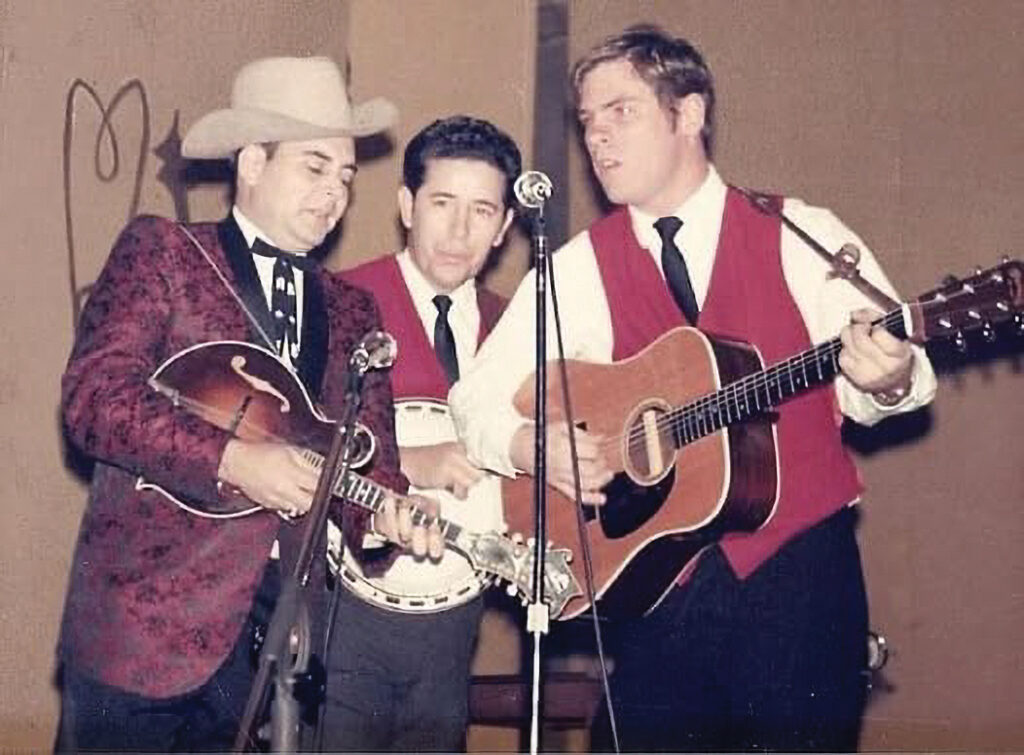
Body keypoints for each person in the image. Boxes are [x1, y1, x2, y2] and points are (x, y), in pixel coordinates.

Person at [449, 25, 938, 753]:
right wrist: (534, 443)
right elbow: (474, 401)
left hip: (797, 580)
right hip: (658, 592)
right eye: (587, 121)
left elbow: (907, 378)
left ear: (689, 115)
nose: (598, 139)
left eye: (621, 112)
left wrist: (888, 374)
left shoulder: (800, 232)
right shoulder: (579, 267)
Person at [55, 55, 439, 752]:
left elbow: (371, 468)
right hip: (140, 634)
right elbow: (93, 399)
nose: (335, 195)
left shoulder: (355, 310)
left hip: (272, 649)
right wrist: (233, 458)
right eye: (315, 168)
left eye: (347, 177)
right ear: (252, 162)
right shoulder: (165, 252)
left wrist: (387, 516)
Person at [320, 115, 520, 751]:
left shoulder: (516, 330)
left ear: (507, 227)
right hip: (340, 612)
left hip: (454, 620)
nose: (460, 231)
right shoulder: (341, 301)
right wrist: (411, 461)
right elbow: (289, 444)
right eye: (442, 203)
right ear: (407, 206)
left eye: (483, 210)